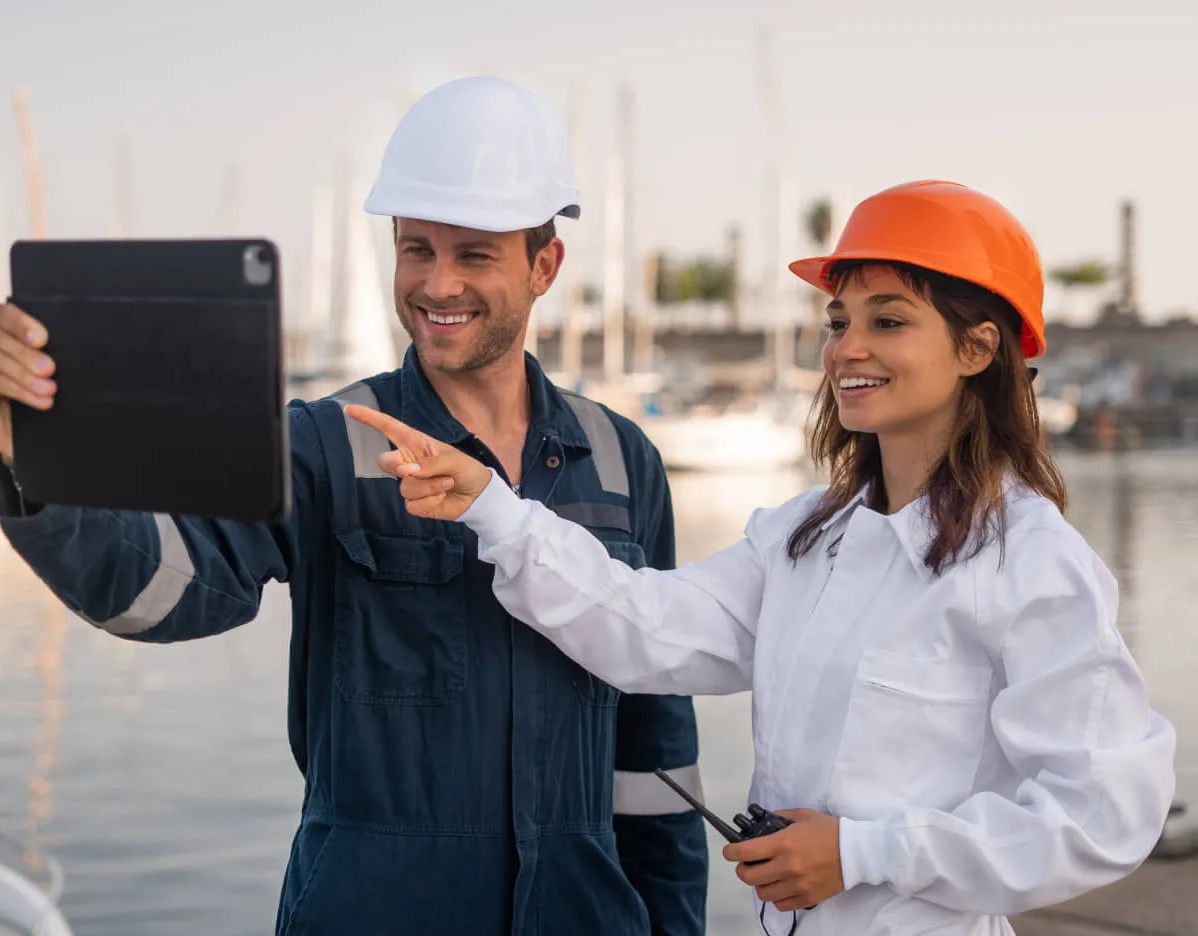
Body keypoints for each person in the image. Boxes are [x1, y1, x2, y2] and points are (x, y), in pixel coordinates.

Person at [0, 76, 709, 936]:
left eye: (473, 254)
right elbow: (160, 590)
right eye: (416, 248)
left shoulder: (622, 463)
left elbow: (656, 756)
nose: (437, 284)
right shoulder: (322, 443)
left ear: (545, 264)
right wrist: (33, 461)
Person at [347, 179, 1178, 935]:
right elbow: (647, 629)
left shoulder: (1030, 561)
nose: (848, 347)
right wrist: (493, 508)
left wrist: (865, 853)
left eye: (888, 320)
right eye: (839, 322)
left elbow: (1104, 814)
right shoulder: (801, 537)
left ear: (978, 348)